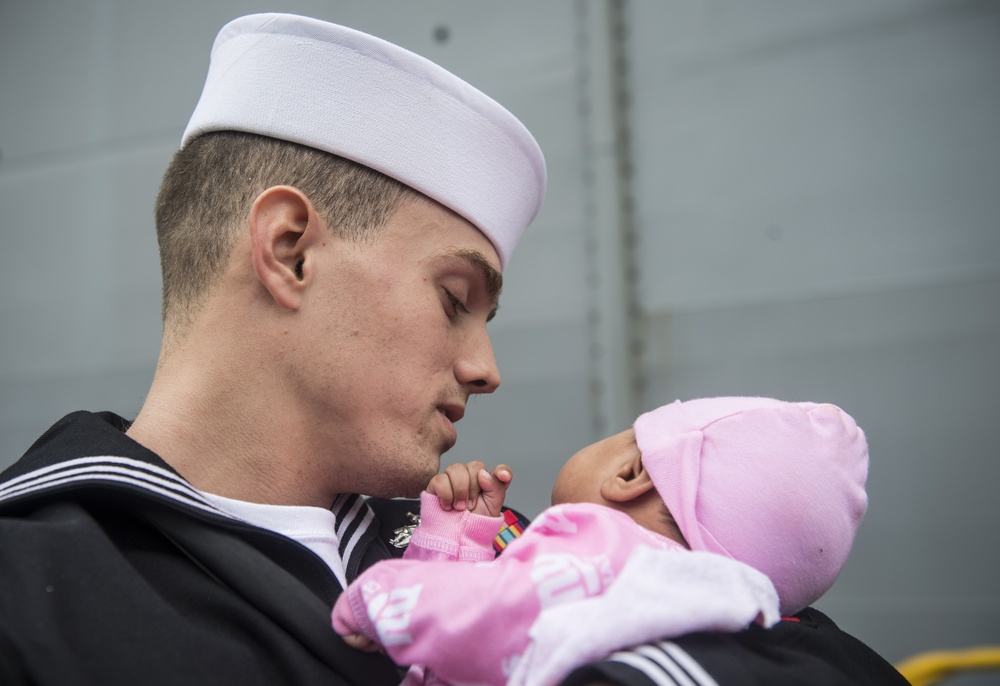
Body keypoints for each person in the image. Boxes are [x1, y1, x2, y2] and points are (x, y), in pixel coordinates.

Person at [0, 12, 545, 686]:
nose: (484, 369)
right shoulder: (24, 601)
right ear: (289, 252)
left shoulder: (490, 547)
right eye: (454, 300)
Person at [333, 396, 907, 686]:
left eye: (623, 436)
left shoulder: (602, 546)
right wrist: (465, 542)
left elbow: (487, 614)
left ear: (631, 476)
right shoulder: (732, 615)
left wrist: (383, 598)